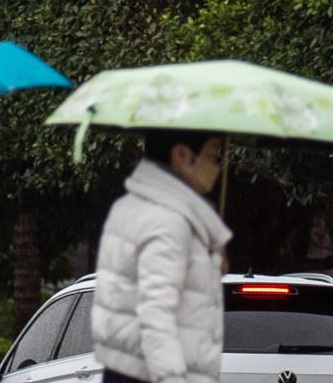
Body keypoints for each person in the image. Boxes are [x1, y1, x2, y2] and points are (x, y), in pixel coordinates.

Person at [91, 131, 232, 383]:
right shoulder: (169, 221)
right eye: (212, 155)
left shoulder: (133, 206)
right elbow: (155, 315)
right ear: (181, 156)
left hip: (128, 369)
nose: (217, 166)